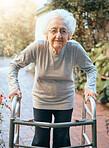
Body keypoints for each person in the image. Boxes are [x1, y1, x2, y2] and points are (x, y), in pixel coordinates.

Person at [8, 9, 97, 147]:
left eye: (63, 31)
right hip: (41, 99)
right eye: (53, 30)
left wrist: (89, 87)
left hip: (65, 99)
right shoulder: (38, 47)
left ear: (69, 35)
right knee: (40, 140)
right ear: (46, 34)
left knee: (62, 140)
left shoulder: (74, 48)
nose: (58, 35)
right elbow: (14, 65)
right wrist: (14, 87)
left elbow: (91, 69)